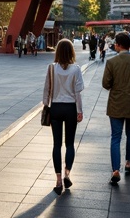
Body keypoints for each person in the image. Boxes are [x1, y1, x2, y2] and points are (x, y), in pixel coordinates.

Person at [101, 32, 130, 185]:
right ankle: (128, 163)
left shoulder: (111, 62)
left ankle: (115, 170)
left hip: (116, 103)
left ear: (119, 45)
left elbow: (106, 84)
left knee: (116, 137)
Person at [44, 39, 84, 194]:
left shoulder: (51, 68)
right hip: (70, 108)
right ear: (72, 52)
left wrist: (46, 106)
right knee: (69, 144)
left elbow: (46, 89)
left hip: (55, 107)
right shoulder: (76, 69)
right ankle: (67, 173)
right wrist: (79, 111)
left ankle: (58, 180)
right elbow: (77, 94)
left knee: (56, 144)